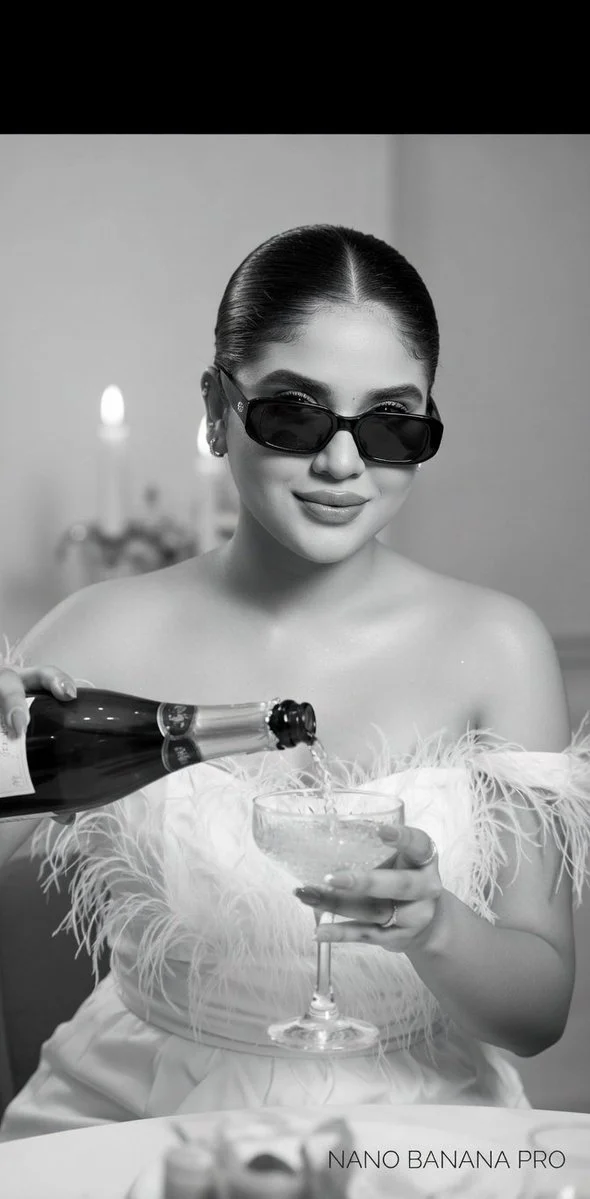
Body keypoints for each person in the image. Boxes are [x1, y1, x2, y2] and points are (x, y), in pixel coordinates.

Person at [0, 224, 589, 1139]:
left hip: (418, 1133)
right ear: (215, 406)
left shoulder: (498, 647)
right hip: (137, 1108)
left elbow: (539, 1013)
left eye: (393, 423)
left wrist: (435, 922)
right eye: (295, 415)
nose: (342, 464)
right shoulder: (96, 634)